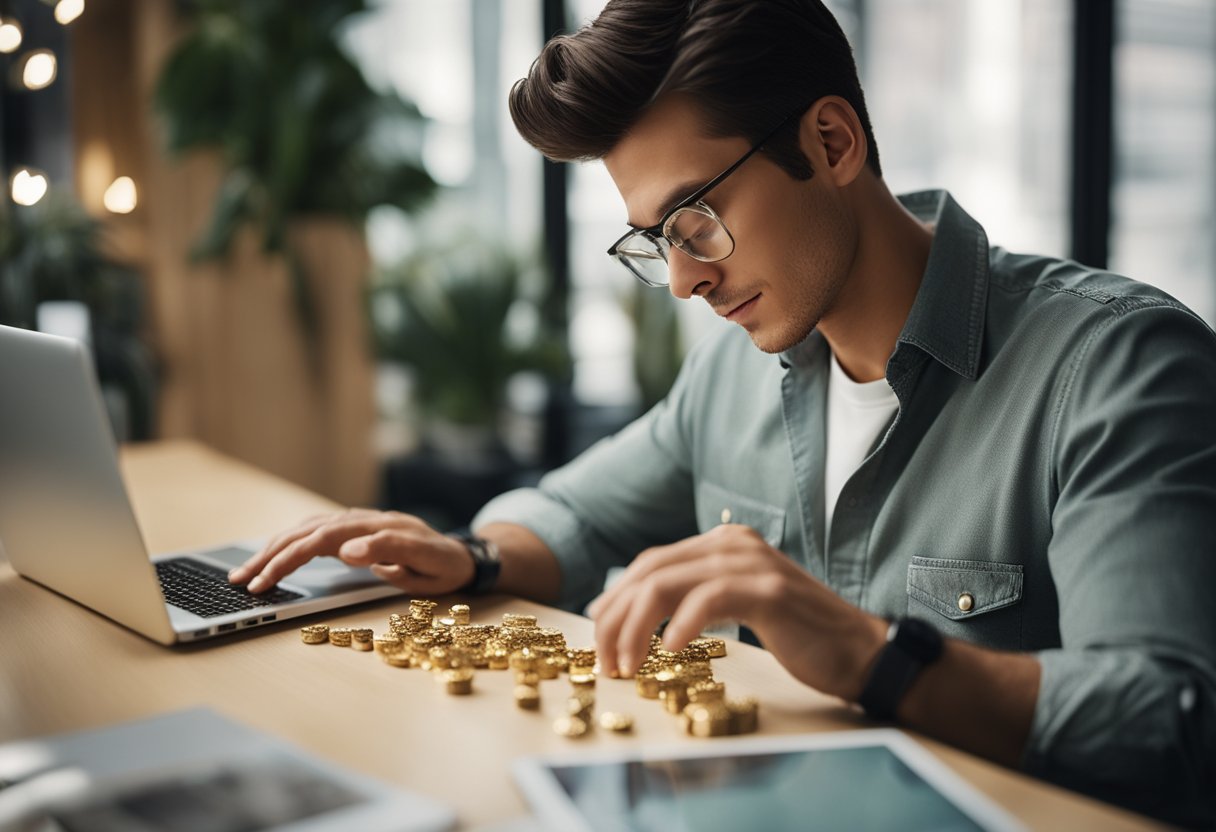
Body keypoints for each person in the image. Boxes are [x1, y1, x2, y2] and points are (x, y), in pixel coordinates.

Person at [229, 0, 1216, 823]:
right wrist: (473, 557)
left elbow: (1172, 718)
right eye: (654, 239)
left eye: (696, 220)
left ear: (830, 142)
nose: (683, 281)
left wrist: (873, 657)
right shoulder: (741, 370)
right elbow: (580, 514)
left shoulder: (1116, 365)